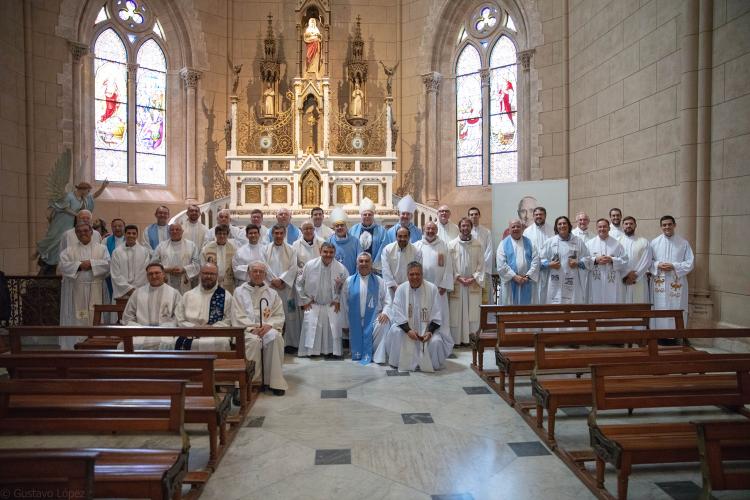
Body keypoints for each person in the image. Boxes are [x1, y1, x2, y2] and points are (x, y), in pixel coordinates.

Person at [232, 262, 288, 395]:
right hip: (246, 330)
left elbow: (279, 315)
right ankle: (252, 382)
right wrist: (252, 328)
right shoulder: (239, 292)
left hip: (267, 328)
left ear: (265, 274)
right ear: (249, 273)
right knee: (254, 341)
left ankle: (275, 382)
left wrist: (270, 325)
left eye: (261, 272)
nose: (258, 274)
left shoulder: (272, 293)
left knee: (275, 338)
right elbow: (237, 314)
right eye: (254, 271)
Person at [385, 261, 452, 372]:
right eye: (412, 274)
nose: (415, 277)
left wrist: (429, 332)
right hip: (406, 330)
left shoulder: (432, 289)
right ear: (407, 275)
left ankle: (431, 364)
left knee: (436, 342)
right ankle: (398, 362)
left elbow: (437, 314)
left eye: (418, 274)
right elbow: (397, 313)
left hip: (427, 331)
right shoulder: (401, 289)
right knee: (396, 332)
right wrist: (408, 331)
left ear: (422, 275)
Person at [58, 222, 110, 349]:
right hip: (77, 289)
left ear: (91, 232)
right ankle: (78, 345)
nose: (82, 233)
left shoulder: (101, 248)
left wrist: (91, 263)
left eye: (85, 231)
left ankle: (97, 345)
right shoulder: (69, 251)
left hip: (96, 288)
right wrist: (79, 265)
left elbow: (108, 264)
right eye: (79, 231)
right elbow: (62, 266)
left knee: (94, 317)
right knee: (79, 316)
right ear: (76, 234)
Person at [37, 179, 108, 272]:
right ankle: (47, 259)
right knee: (56, 239)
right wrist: (76, 214)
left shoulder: (84, 198)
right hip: (63, 220)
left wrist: (103, 187)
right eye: (88, 191)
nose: (88, 193)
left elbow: (94, 196)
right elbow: (63, 207)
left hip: (71, 222)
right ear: (83, 189)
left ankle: (54, 262)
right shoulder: (70, 196)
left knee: (62, 241)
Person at [296, 242, 349, 357]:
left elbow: (346, 288)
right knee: (311, 327)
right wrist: (304, 300)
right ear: (320, 251)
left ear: (334, 253)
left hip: (332, 305)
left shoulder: (341, 268)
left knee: (333, 328)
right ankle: (312, 352)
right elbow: (299, 283)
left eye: (331, 252)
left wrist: (339, 300)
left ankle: (331, 351)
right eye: (325, 251)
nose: (328, 254)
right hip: (313, 304)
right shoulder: (310, 265)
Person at [340, 253, 391, 364]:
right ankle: (359, 352)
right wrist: (345, 323)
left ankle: (377, 356)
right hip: (355, 319)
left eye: (367, 261)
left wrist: (385, 313)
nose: (364, 264)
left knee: (384, 323)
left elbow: (388, 300)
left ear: (371, 264)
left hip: (374, 319)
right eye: (361, 261)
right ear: (357, 264)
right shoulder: (349, 281)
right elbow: (344, 303)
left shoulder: (379, 281)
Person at [175, 264, 236, 351]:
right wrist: (193, 327)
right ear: (200, 274)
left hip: (215, 333)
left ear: (217, 276)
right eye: (205, 273)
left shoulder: (226, 296)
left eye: (212, 274)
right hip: (190, 332)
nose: (208, 276)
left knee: (222, 342)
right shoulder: (188, 295)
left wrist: (212, 328)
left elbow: (229, 319)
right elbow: (179, 318)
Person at [121, 263, 182, 349]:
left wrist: (167, 327)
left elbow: (179, 316)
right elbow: (128, 316)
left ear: (163, 274)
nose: (154, 276)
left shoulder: (174, 293)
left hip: (165, 333)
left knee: (170, 345)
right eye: (150, 274)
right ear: (147, 276)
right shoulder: (138, 293)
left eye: (157, 273)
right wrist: (139, 329)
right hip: (141, 333)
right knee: (125, 346)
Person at [650, 215, 694, 328]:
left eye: (669, 224)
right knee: (660, 306)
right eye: (664, 225)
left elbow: (690, 263)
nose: (667, 227)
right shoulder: (654, 243)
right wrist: (658, 264)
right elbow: (648, 262)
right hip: (659, 282)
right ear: (661, 227)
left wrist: (674, 266)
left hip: (676, 281)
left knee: (676, 306)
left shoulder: (683, 243)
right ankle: (659, 335)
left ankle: (676, 335)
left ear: (674, 225)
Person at [448, 218, 484, 345]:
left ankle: (471, 339)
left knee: (473, 312)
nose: (465, 228)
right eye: (463, 226)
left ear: (471, 227)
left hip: (472, 283)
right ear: (459, 227)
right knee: (456, 313)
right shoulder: (451, 245)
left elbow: (481, 264)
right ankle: (457, 340)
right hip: (458, 283)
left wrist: (474, 277)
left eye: (467, 226)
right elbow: (449, 265)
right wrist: (458, 277)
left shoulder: (478, 244)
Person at [539, 216, 591, 304]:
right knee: (555, 307)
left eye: (564, 223)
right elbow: (540, 259)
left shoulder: (578, 241)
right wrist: (549, 264)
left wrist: (578, 263)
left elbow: (587, 258)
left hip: (573, 280)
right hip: (554, 280)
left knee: (572, 305)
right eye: (559, 224)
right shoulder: (550, 242)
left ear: (569, 225)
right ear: (556, 227)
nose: (562, 226)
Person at [264, 224, 300, 348]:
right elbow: (264, 267)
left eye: (281, 233)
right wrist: (273, 280)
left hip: (286, 289)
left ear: (284, 234)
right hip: (270, 288)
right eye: (276, 233)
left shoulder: (291, 249)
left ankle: (289, 343)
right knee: (270, 314)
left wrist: (282, 280)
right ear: (272, 234)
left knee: (289, 315)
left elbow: (293, 267)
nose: (278, 236)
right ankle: (271, 341)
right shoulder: (265, 249)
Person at [414, 221, 453, 335]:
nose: (430, 231)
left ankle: (441, 339)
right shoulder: (417, 246)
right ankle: (421, 335)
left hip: (439, 288)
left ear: (436, 231)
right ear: (423, 230)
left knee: (439, 314)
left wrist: (444, 285)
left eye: (433, 229)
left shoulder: (443, 245)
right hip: (421, 288)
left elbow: (449, 266)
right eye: (428, 229)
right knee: (423, 313)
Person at [496, 218, 540, 305]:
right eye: (513, 227)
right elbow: (501, 263)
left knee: (527, 310)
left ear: (522, 228)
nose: (516, 228)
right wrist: (514, 276)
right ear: (509, 230)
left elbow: (536, 261)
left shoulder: (530, 243)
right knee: (510, 310)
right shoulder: (503, 244)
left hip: (527, 282)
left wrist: (527, 276)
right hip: (510, 283)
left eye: (518, 227)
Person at [585, 219, 628, 303]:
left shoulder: (617, 244)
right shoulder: (589, 244)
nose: (602, 229)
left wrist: (612, 260)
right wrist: (595, 260)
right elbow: (584, 260)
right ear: (596, 229)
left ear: (609, 228)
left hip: (612, 281)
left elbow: (625, 261)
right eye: (600, 227)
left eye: (605, 226)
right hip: (595, 281)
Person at [151, 222, 200, 294]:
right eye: (172, 230)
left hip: (184, 281)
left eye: (177, 229)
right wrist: (167, 269)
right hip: (166, 280)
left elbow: (197, 264)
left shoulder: (191, 245)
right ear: (169, 232)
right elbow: (153, 264)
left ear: (182, 231)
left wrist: (184, 269)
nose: (174, 231)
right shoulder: (161, 246)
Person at [110, 224, 151, 300]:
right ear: (125, 235)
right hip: (122, 293)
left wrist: (135, 290)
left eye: (134, 233)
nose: (131, 235)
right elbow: (115, 274)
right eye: (128, 233)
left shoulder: (144, 251)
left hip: (139, 291)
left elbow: (144, 272)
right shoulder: (117, 252)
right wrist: (128, 289)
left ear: (137, 235)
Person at [381, 226, 422, 298]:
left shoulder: (416, 251)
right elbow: (385, 270)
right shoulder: (387, 249)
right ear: (396, 237)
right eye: (400, 236)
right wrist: (394, 287)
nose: (402, 239)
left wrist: (407, 286)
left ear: (409, 237)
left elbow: (417, 271)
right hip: (392, 289)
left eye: (405, 236)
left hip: (410, 288)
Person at [523, 206, 553, 303]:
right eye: (536, 215)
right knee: (534, 295)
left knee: (547, 294)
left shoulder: (552, 230)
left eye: (541, 214)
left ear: (545, 216)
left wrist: (548, 263)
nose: (538, 216)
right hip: (533, 268)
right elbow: (525, 251)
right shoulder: (527, 231)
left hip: (549, 268)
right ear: (533, 216)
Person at [349, 197, 388, 271]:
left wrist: (374, 266)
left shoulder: (382, 231)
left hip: (375, 269)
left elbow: (384, 249)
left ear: (373, 215)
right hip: (357, 268)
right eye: (365, 214)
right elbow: (351, 249)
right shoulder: (353, 230)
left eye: (369, 214)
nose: (367, 216)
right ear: (361, 216)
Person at [620, 216, 652, 304]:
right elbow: (616, 261)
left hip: (639, 279)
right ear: (623, 226)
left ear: (635, 225)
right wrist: (625, 275)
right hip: (622, 279)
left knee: (639, 304)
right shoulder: (617, 242)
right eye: (626, 224)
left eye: (631, 224)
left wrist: (635, 275)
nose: (628, 226)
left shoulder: (643, 241)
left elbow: (647, 260)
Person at [201, 224, 238, 293]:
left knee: (226, 301)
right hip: (211, 281)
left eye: (224, 234)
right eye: (219, 233)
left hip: (228, 282)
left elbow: (236, 266)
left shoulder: (233, 248)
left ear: (228, 235)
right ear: (215, 235)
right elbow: (202, 265)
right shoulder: (207, 248)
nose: (222, 236)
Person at [468, 207, 494, 303]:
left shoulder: (486, 232)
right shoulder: (465, 232)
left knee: (485, 298)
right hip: (470, 272)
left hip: (484, 271)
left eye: (476, 214)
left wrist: (480, 268)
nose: (474, 216)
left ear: (479, 216)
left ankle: (486, 318)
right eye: (471, 214)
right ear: (468, 216)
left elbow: (489, 251)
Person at [327, 207, 361, 275]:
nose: (340, 227)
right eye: (337, 226)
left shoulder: (355, 242)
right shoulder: (329, 241)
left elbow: (360, 260)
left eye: (342, 225)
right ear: (334, 228)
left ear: (346, 226)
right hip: (333, 278)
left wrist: (355, 278)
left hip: (351, 277)